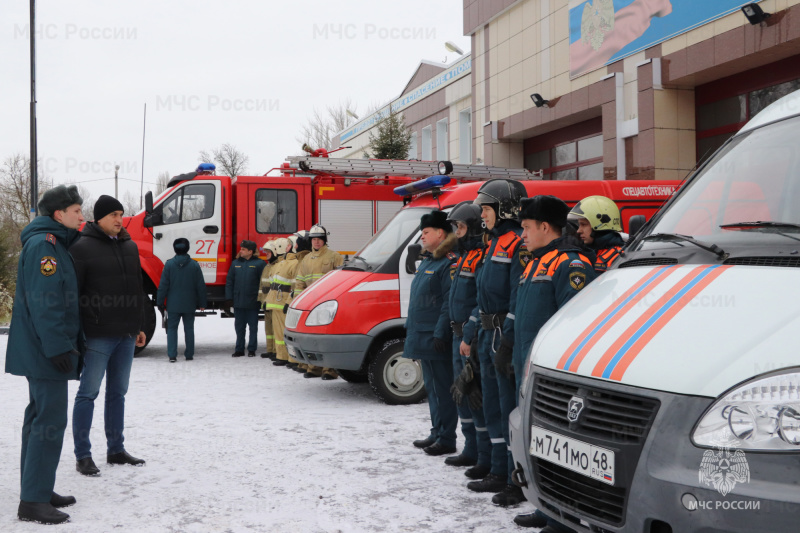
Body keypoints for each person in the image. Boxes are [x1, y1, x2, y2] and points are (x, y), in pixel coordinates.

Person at [502, 196, 596, 529]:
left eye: (526, 228)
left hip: (553, 378)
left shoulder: (570, 264)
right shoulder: (536, 262)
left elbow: (574, 324)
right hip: (529, 368)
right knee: (535, 442)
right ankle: (546, 508)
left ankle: (563, 519)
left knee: (554, 444)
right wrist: (509, 344)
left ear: (545, 227)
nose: (522, 235)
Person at [6, 185, 84, 524]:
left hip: (42, 351)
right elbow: (46, 304)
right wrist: (58, 348)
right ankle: (33, 502)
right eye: (77, 211)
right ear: (59, 215)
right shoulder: (45, 247)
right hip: (45, 352)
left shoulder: (53, 243)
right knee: (48, 423)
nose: (82, 216)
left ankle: (38, 487)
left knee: (39, 420)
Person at [70, 194, 148, 477]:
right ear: (99, 218)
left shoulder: (129, 246)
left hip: (126, 334)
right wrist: (81, 330)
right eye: (113, 214)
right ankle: (83, 455)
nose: (119, 219)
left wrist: (139, 326)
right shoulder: (82, 247)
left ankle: (116, 449)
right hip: (98, 334)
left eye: (121, 214)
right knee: (88, 394)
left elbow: (138, 290)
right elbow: (73, 295)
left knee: (118, 393)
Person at [465, 179, 528, 505]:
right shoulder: (494, 243)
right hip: (489, 334)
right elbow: (482, 294)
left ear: (505, 209)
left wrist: (508, 340)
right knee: (491, 404)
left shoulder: (517, 243)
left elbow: (518, 296)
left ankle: (513, 478)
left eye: (486, 209)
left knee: (507, 407)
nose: (483, 216)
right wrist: (475, 330)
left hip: (504, 335)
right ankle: (495, 468)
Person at [406, 210, 459, 456]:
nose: (422, 237)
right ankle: (436, 431)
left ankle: (447, 437)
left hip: (435, 338)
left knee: (442, 388)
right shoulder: (429, 260)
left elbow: (448, 302)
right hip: (423, 334)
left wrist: (440, 333)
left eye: (426, 232)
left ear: (440, 233)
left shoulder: (448, 261)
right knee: (432, 388)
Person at [445, 202, 492, 478]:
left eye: (461, 227)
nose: (457, 232)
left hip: (468, 338)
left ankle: (484, 455)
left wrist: (470, 335)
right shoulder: (463, 258)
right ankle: (470, 448)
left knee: (475, 396)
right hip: (456, 335)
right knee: (461, 394)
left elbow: (480, 302)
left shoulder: (481, 257)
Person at [294, 225, 344, 380]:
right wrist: (296, 302)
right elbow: (300, 282)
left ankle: (330, 370)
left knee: (326, 337)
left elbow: (342, 280)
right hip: (310, 305)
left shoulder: (335, 257)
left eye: (319, 239)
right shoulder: (306, 259)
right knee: (312, 337)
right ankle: (314, 368)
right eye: (314, 239)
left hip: (328, 304)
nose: (316, 242)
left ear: (324, 241)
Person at [156, 238, 207, 362]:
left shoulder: (169, 264)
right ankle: (189, 354)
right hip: (189, 304)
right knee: (189, 329)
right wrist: (202, 303)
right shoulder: (194, 265)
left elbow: (163, 286)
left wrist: (160, 302)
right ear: (188, 248)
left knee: (172, 329)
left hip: (173, 305)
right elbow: (200, 286)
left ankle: (172, 355)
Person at [225, 240, 266, 357]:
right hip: (238, 302)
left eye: (243, 249)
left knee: (253, 327)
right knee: (239, 327)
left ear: (250, 251)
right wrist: (229, 299)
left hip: (253, 302)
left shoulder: (259, 264)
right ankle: (239, 349)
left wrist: (261, 299)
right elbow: (229, 282)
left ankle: (252, 349)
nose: (240, 251)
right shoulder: (235, 264)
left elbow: (263, 283)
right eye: (241, 249)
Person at [568, 195, 625, 273]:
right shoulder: (590, 253)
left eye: (584, 225)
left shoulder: (620, 257)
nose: (579, 230)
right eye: (579, 225)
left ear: (601, 225)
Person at [265, 238, 299, 367]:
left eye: (289, 245)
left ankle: (291, 358)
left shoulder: (294, 263)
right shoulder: (282, 263)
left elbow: (295, 286)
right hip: (276, 302)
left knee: (286, 333)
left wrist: (289, 302)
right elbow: (273, 285)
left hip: (283, 302)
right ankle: (282, 356)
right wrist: (267, 301)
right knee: (278, 333)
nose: (287, 248)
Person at [287, 231, 313, 374]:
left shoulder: (304, 260)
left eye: (296, 243)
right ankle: (304, 363)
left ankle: (311, 365)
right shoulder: (302, 260)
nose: (294, 246)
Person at [257, 240, 278, 360]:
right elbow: (262, 286)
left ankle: (276, 351)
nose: (266, 254)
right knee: (268, 329)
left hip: (273, 303)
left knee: (275, 329)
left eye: (269, 252)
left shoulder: (276, 267)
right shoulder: (267, 266)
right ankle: (270, 350)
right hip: (266, 303)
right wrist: (261, 301)